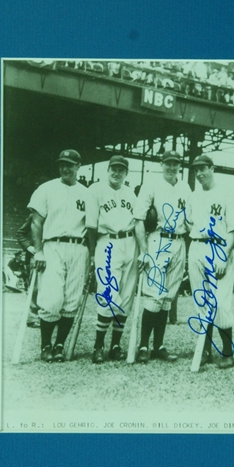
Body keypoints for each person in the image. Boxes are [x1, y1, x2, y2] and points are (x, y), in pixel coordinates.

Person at [28, 149, 90, 363]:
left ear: (78, 166)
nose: (65, 168)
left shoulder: (87, 193)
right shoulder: (46, 189)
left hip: (79, 248)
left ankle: (60, 345)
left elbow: (92, 226)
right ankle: (46, 345)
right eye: (62, 163)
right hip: (52, 245)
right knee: (52, 298)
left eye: (70, 164)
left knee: (72, 299)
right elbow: (36, 222)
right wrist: (38, 251)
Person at [133, 150, 192, 363]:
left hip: (179, 241)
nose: (171, 167)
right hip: (158, 239)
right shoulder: (150, 184)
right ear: (161, 163)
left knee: (168, 296)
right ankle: (142, 346)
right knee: (154, 296)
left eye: (175, 163)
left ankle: (158, 346)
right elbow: (139, 218)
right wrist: (143, 251)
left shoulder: (185, 187)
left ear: (179, 165)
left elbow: (190, 218)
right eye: (168, 163)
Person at [186, 155, 234, 369]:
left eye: (203, 169)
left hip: (219, 247)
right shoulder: (193, 196)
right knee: (202, 302)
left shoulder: (227, 192)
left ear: (212, 168)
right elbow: (188, 222)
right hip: (197, 246)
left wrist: (224, 255)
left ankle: (227, 352)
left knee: (219, 302)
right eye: (196, 170)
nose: (199, 174)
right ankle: (205, 350)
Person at [85, 155, 139, 363]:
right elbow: (90, 225)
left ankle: (115, 345)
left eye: (121, 170)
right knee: (108, 293)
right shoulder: (95, 190)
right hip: (107, 242)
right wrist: (91, 253)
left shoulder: (131, 193)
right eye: (113, 169)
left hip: (130, 242)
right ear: (107, 169)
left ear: (126, 173)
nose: (117, 173)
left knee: (125, 296)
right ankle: (98, 345)